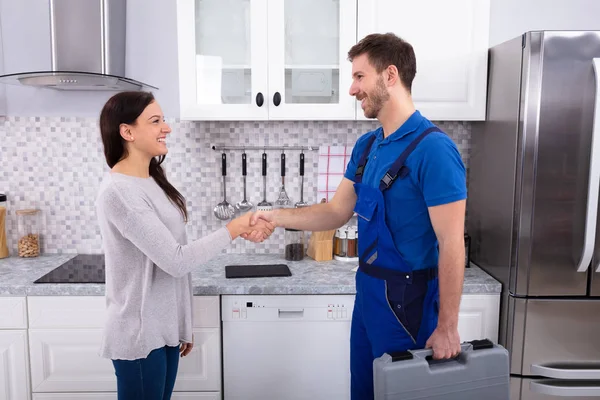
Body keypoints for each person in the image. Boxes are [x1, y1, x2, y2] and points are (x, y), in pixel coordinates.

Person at [246, 33, 466, 399]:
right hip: (367, 293)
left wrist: (448, 325)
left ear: (390, 75)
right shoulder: (368, 146)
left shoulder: (434, 150)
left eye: (360, 77)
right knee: (363, 392)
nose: (352, 88)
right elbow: (335, 211)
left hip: (407, 302)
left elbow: (452, 243)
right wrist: (274, 215)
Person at [96, 91, 274, 400]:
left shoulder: (151, 180)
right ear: (127, 132)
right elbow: (176, 260)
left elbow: (171, 261)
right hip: (139, 336)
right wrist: (233, 229)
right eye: (155, 121)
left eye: (163, 120)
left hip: (161, 332)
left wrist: (180, 324)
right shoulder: (119, 191)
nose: (167, 128)